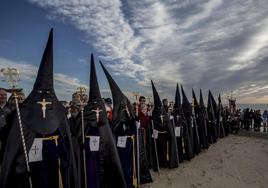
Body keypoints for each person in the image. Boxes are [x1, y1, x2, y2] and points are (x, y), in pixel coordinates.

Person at [0, 29, 78, 188]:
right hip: (32, 161)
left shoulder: (58, 111)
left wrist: (63, 153)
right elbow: (16, 142)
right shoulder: (25, 110)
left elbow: (66, 138)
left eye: (48, 93)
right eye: (41, 92)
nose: (44, 98)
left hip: (53, 158)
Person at [101, 61, 152, 187]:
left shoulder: (130, 118)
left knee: (131, 165)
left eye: (126, 106)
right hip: (120, 147)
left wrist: (134, 118)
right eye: (122, 107)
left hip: (131, 145)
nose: (124, 108)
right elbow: (114, 129)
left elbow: (136, 126)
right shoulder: (115, 120)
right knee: (122, 166)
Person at [0, 88, 13, 166]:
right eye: (1, 95)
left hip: (8, 139)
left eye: (4, 95)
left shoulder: (12, 108)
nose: (3, 97)